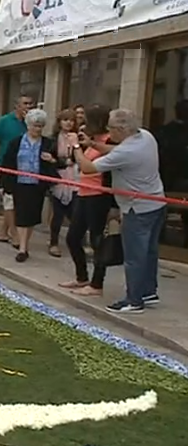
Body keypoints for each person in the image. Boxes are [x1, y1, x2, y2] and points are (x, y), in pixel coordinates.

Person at [70, 108, 166, 314]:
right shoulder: (145, 137)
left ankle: (134, 300)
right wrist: (94, 144)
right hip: (156, 203)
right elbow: (114, 152)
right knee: (149, 252)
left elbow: (88, 168)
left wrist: (76, 147)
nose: (108, 131)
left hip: (137, 208)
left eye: (111, 128)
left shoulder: (127, 151)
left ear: (122, 129)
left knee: (135, 255)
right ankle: (148, 292)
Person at [60, 104, 115, 297]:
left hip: (99, 196)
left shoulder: (109, 141)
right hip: (83, 193)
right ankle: (81, 276)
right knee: (73, 237)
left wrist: (77, 146)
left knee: (96, 240)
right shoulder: (92, 141)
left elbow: (88, 166)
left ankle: (97, 284)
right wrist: (82, 144)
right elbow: (78, 162)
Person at [0, 109, 62, 262]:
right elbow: (7, 163)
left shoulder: (48, 143)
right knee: (21, 215)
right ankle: (22, 248)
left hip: (37, 185)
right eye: (35, 125)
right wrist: (5, 185)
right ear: (28, 125)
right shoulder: (16, 142)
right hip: (19, 183)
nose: (37, 129)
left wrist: (51, 160)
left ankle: (25, 243)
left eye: (40, 126)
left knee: (32, 216)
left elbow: (60, 163)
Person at [0, 94, 34, 245]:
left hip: (24, 167)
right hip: (6, 165)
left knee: (16, 201)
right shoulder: (4, 121)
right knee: (9, 200)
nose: (28, 107)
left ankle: (3, 232)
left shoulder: (30, 123)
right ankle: (14, 234)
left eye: (30, 104)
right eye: (25, 103)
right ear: (17, 105)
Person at [48, 108, 78, 257]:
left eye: (71, 120)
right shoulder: (53, 138)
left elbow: (81, 156)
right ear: (59, 122)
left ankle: (79, 242)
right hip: (58, 178)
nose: (69, 123)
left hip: (75, 178)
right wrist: (60, 161)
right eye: (65, 120)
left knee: (76, 214)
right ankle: (53, 242)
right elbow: (49, 159)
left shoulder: (79, 137)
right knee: (58, 213)